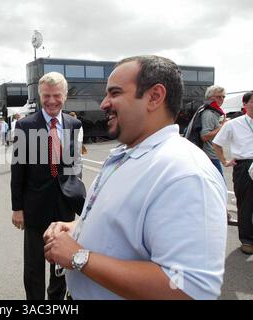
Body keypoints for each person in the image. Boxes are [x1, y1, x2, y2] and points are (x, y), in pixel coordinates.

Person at [44, 55, 227, 300]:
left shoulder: (185, 174)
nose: (104, 104)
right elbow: (123, 224)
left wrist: (79, 257)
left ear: (154, 97)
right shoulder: (125, 154)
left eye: (115, 93)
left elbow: (188, 289)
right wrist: (77, 228)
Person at [11, 71, 86, 300]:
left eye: (56, 95)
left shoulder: (75, 124)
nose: (51, 101)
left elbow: (75, 165)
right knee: (34, 265)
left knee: (61, 264)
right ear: (39, 96)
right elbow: (18, 169)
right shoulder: (25, 125)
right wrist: (17, 208)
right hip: (35, 207)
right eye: (46, 96)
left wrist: (76, 195)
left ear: (65, 95)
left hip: (64, 205)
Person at [213, 91, 253, 255]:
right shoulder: (234, 124)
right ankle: (247, 240)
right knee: (246, 204)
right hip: (244, 165)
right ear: (245, 104)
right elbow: (217, 143)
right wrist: (224, 161)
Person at [200, 85, 227, 176]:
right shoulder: (209, 114)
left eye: (223, 96)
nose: (222, 99)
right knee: (219, 185)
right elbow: (204, 136)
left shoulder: (214, 112)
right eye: (218, 96)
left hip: (213, 155)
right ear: (211, 98)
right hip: (210, 156)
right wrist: (222, 126)